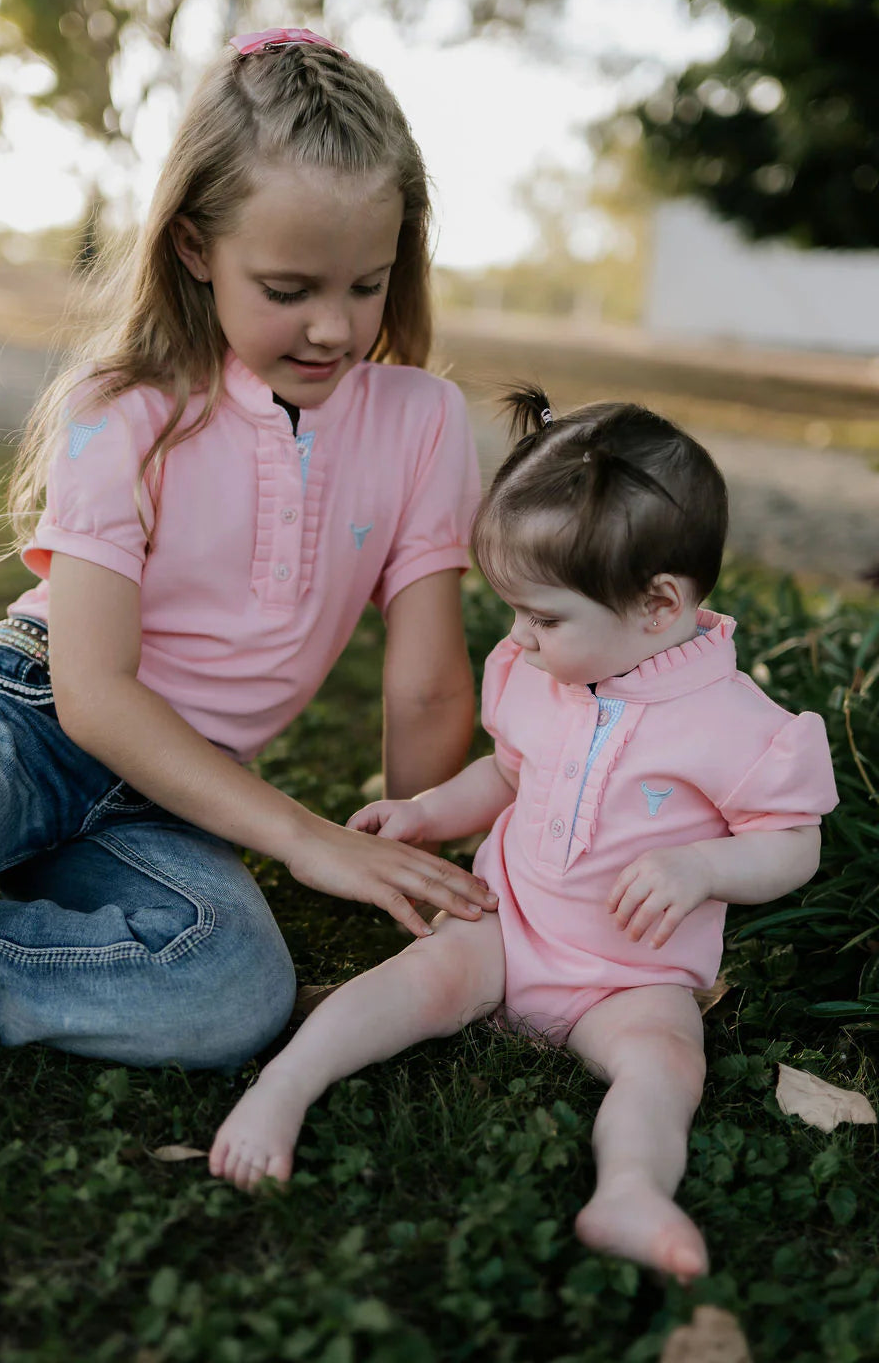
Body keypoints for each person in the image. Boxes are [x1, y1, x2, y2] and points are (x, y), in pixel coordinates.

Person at [0, 28, 498, 1070]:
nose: (334, 329)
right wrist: (306, 837)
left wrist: (410, 856)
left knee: (226, 986)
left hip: (181, 795)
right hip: (26, 725)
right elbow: (94, 697)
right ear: (196, 248)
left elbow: (426, 685)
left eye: (366, 285)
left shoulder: (423, 419)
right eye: (288, 289)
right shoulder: (125, 407)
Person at [209, 385, 838, 1281]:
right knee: (420, 977)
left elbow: (793, 844)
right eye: (515, 611)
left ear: (659, 605)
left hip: (632, 973)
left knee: (665, 1062)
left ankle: (630, 1191)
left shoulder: (739, 727)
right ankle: (287, 1085)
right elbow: (506, 773)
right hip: (509, 925)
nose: (519, 638)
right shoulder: (537, 675)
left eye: (543, 617)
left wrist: (702, 866)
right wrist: (428, 812)